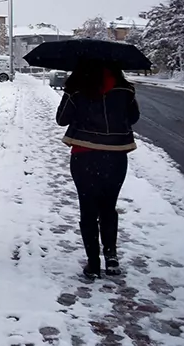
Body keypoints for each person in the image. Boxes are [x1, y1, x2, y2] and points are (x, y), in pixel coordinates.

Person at [56, 60, 140, 279]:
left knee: (88, 209)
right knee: (109, 206)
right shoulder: (125, 89)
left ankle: (93, 263)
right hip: (116, 156)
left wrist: (70, 94)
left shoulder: (77, 88)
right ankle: (111, 258)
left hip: (85, 155)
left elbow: (61, 119)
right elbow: (133, 118)